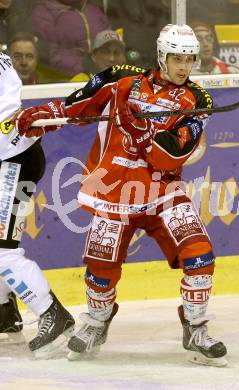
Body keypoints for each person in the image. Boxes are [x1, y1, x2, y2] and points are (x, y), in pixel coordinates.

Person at [14, 24, 227, 366]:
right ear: (162, 56)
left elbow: (168, 155)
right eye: (177, 59)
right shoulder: (121, 79)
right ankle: (97, 322)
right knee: (101, 266)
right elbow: (80, 104)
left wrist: (142, 131)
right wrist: (45, 115)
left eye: (190, 59)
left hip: (162, 191)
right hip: (115, 190)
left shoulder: (197, 100)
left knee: (199, 254)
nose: (184, 67)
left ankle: (196, 327)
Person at [0, 52, 75, 358]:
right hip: (15, 155)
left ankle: (51, 313)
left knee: (1, 250)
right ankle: (4, 314)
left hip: (11, 162)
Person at [31, 0, 111, 77]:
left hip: (100, 75)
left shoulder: (94, 11)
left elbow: (110, 44)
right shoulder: (45, 12)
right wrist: (86, 70)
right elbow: (50, 56)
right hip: (65, 80)